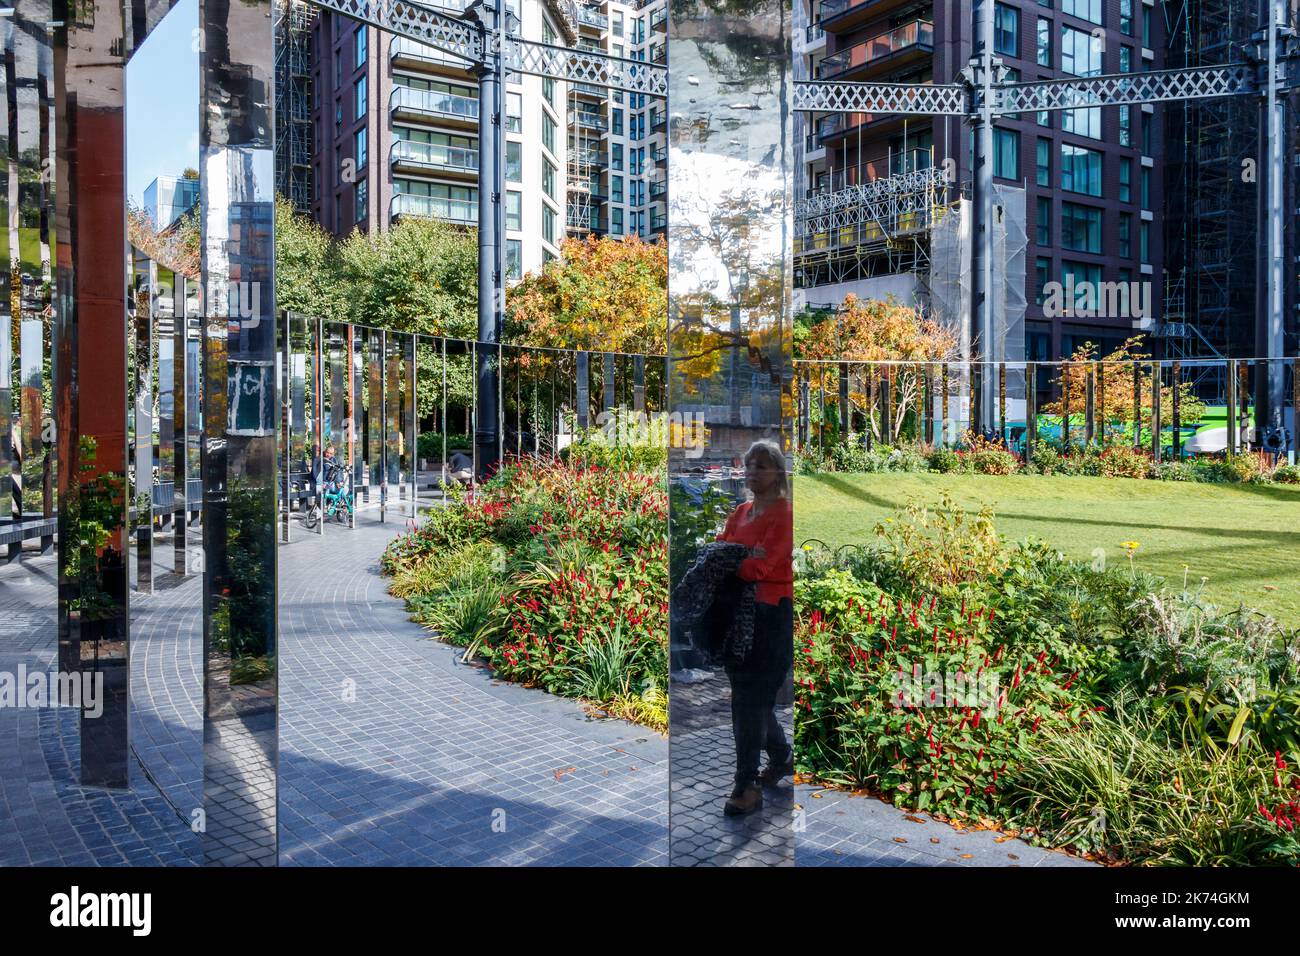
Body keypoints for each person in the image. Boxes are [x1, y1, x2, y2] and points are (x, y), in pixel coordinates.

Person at [715, 439, 794, 816]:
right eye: (749, 465)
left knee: (749, 701)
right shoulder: (741, 511)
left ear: (778, 472)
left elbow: (759, 567)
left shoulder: (784, 514)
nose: (752, 472)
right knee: (750, 700)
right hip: (738, 618)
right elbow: (718, 551)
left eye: (761, 465)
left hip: (771, 619)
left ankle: (746, 786)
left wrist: (738, 558)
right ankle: (780, 755)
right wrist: (742, 556)